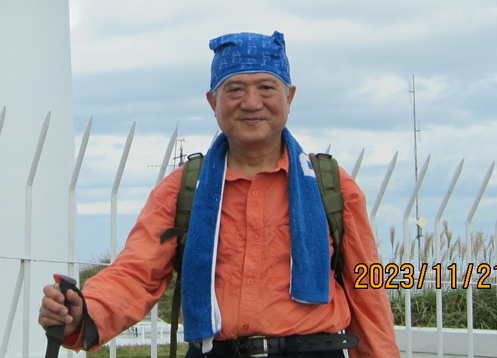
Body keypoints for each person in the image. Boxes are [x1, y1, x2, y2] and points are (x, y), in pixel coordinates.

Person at [39, 31, 399, 358]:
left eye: (267, 88)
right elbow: (137, 272)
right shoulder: (183, 188)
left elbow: (366, 290)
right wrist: (83, 312)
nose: (251, 102)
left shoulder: (329, 184)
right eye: (235, 89)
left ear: (289, 97)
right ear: (213, 100)